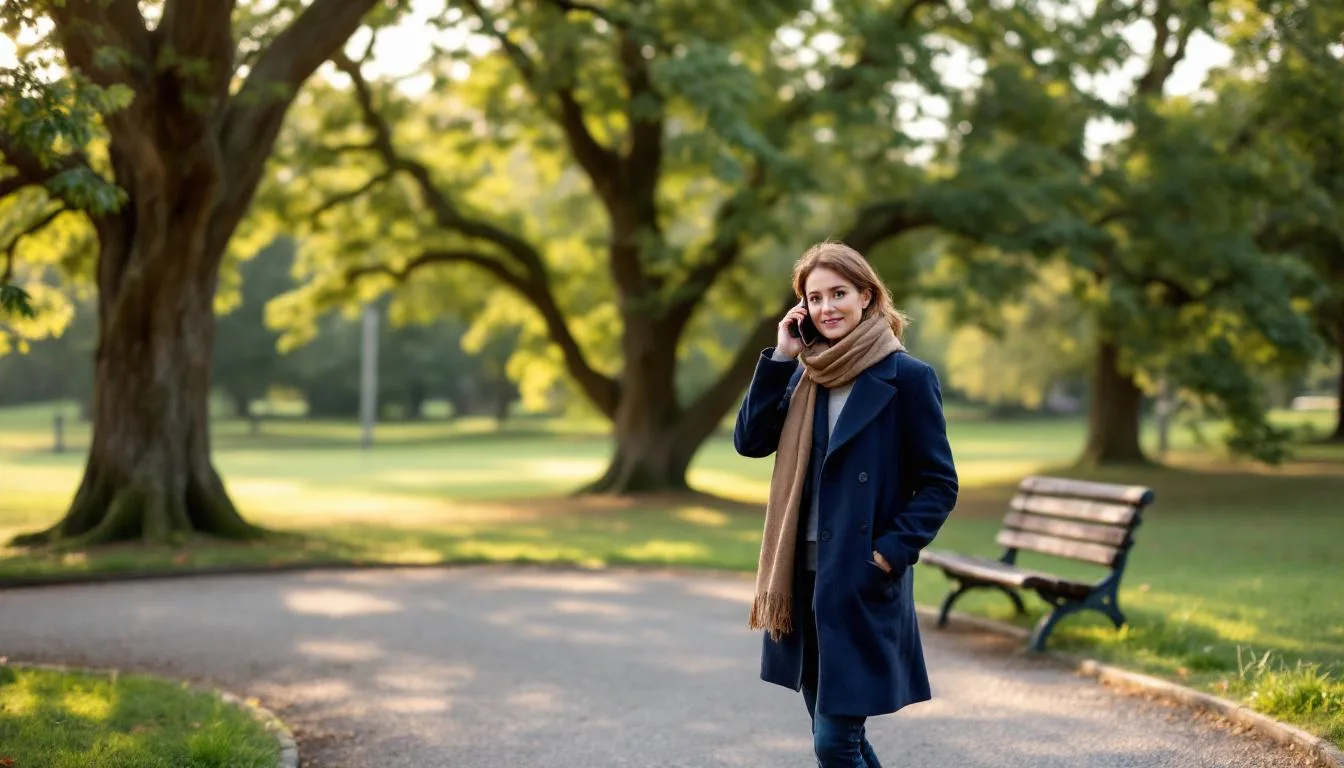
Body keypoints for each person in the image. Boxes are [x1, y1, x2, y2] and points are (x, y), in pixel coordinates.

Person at [733, 241, 958, 767]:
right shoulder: (802, 373)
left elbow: (938, 484)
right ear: (801, 310)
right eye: (814, 298)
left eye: (839, 293)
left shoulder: (906, 378)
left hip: (857, 579)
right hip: (800, 579)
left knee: (833, 742)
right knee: (839, 738)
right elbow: (749, 441)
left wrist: (886, 553)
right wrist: (781, 358)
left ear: (866, 296)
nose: (827, 307)